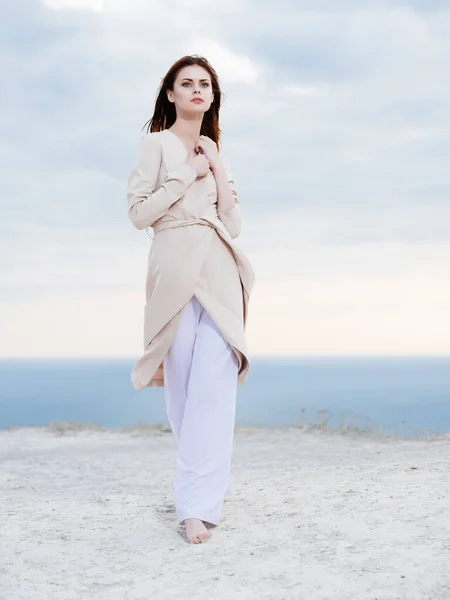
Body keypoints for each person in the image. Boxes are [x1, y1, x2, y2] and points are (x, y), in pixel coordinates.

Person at [126, 55, 255, 544]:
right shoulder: (155, 145)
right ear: (171, 94)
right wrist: (186, 174)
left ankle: (196, 507)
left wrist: (216, 166)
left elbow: (235, 222)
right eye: (188, 83)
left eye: (205, 84)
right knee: (183, 393)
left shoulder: (216, 148)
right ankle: (198, 488)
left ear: (213, 96)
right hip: (173, 266)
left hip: (219, 269)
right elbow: (139, 215)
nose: (198, 90)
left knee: (215, 388)